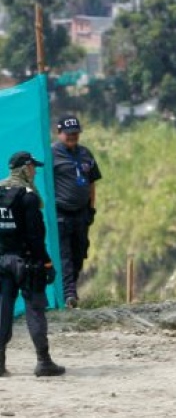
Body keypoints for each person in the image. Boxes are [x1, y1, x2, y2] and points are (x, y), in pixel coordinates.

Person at [0, 152, 66, 377]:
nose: (35, 172)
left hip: (2, 261)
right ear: (26, 168)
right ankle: (43, 361)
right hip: (28, 262)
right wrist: (47, 263)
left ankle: (0, 362)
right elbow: (36, 237)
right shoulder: (28, 197)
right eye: (33, 168)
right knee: (35, 310)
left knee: (3, 309)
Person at [51, 115, 102, 308]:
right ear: (59, 133)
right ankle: (68, 295)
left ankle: (70, 290)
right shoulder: (52, 154)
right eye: (68, 134)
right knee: (64, 255)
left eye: (76, 133)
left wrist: (91, 209)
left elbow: (92, 183)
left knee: (79, 253)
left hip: (82, 214)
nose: (73, 137)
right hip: (61, 213)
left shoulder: (86, 153)